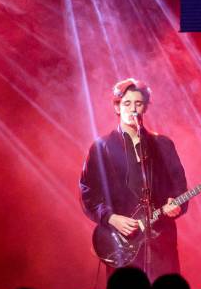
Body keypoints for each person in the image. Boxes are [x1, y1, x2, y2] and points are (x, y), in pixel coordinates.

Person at [79, 78, 189, 278]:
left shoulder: (163, 145)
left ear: (145, 107)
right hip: (122, 244)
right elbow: (88, 193)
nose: (133, 109)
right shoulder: (101, 147)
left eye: (138, 103)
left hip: (161, 242)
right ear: (117, 107)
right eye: (127, 103)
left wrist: (176, 204)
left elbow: (180, 187)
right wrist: (110, 217)